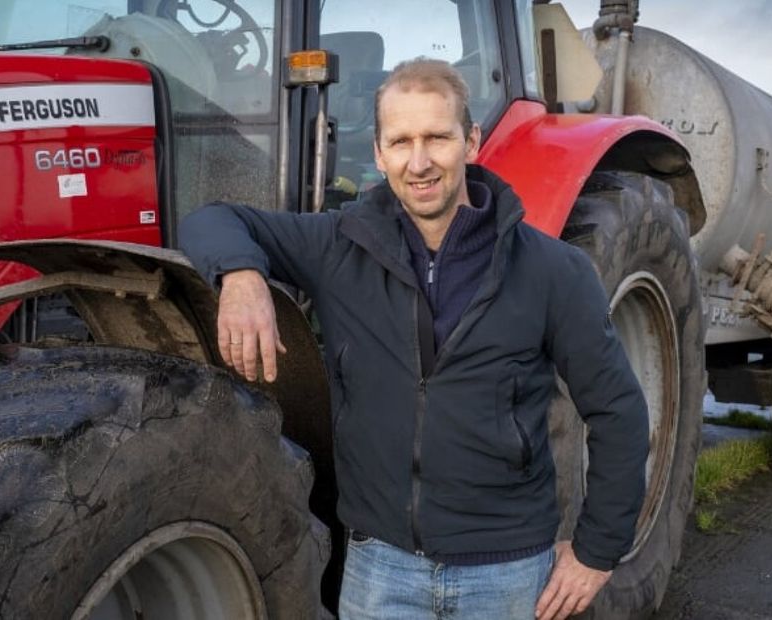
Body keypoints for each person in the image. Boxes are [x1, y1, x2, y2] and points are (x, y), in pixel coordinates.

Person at [179, 58, 649, 620]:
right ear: (379, 153)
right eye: (401, 141)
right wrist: (241, 276)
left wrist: (597, 553)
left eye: (437, 137)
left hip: (505, 574)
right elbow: (211, 218)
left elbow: (618, 412)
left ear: (471, 141)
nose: (419, 162)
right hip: (381, 570)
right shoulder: (338, 245)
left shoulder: (552, 271)